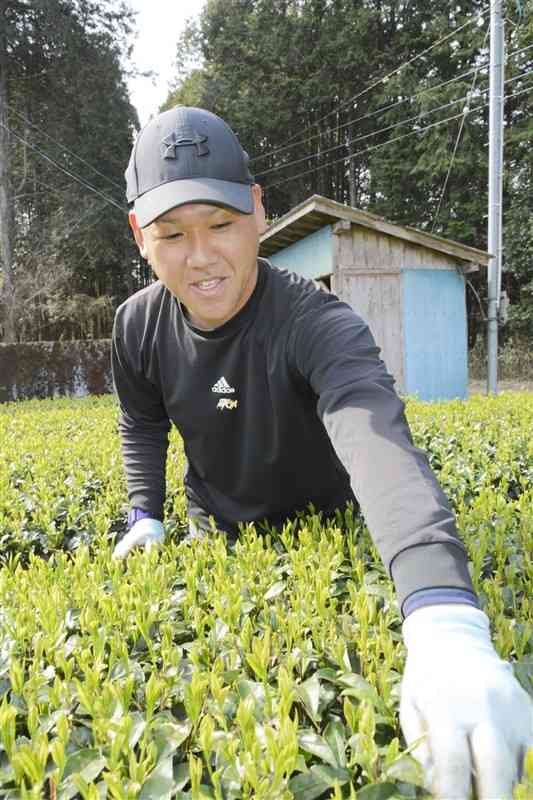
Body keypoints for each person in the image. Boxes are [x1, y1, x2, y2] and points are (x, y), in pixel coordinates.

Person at [111, 105, 532, 798]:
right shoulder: (137, 325)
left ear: (255, 210)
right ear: (139, 236)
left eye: (220, 225)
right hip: (213, 528)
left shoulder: (316, 322)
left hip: (325, 527)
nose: (200, 256)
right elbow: (141, 423)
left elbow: (376, 439)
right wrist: (143, 516)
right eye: (171, 234)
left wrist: (444, 619)